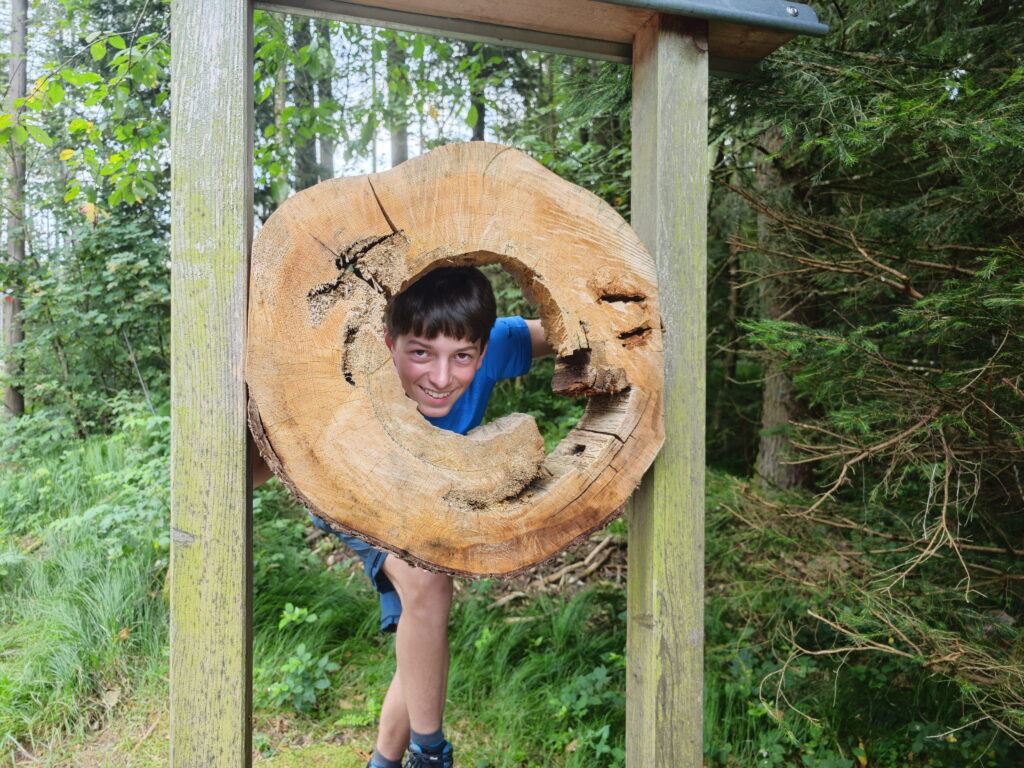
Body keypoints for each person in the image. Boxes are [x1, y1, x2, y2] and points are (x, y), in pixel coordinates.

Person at [252, 266, 552, 768]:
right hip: (352, 490)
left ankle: (384, 763)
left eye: (462, 357)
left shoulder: (494, 342)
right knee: (429, 587)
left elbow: (572, 332)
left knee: (423, 632)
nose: (440, 377)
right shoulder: (355, 368)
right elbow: (266, 449)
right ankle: (430, 755)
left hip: (422, 499)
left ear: (482, 350)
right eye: (420, 353)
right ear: (387, 342)